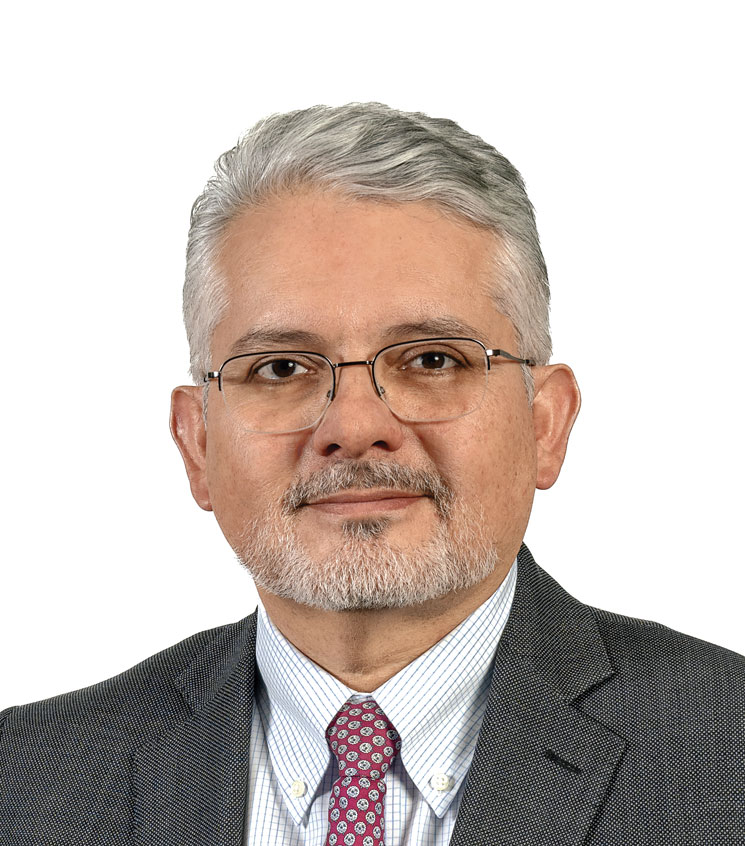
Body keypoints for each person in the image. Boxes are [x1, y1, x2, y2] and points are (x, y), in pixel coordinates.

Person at [1, 103, 743, 846]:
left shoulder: (724, 749)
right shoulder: (24, 781)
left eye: (432, 360)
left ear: (544, 424)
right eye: (280, 368)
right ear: (197, 444)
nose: (354, 427)